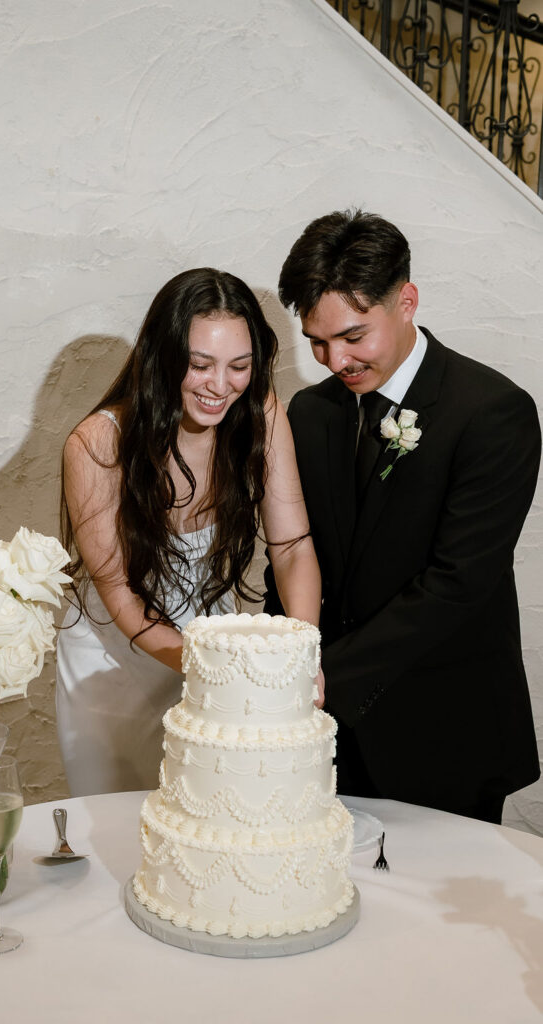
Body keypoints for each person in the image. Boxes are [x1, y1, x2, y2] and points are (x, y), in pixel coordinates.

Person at [264, 209, 540, 823]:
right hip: (324, 735)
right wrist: (274, 665)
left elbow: (457, 584)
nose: (335, 360)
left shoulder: (493, 412)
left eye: (354, 336)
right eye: (316, 340)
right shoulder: (310, 414)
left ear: (407, 301)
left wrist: (321, 677)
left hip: (446, 729)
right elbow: (293, 553)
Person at [57, 267, 321, 797]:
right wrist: (222, 669)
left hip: (210, 641)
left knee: (211, 819)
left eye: (239, 366)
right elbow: (121, 596)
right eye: (200, 365)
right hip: (113, 660)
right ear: (164, 356)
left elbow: (292, 548)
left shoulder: (261, 414)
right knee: (118, 827)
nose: (221, 387)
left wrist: (301, 653)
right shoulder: (96, 445)